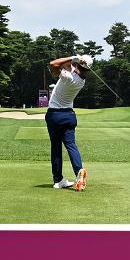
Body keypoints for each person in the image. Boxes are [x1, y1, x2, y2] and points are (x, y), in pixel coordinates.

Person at [45, 55, 91, 191]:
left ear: (78, 66)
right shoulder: (81, 81)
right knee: (71, 145)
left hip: (55, 115)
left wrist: (74, 56)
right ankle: (79, 170)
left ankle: (58, 179)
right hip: (69, 116)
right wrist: (76, 61)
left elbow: (53, 64)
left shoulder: (68, 77)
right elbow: (68, 66)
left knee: (56, 147)